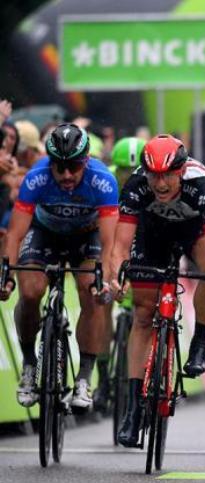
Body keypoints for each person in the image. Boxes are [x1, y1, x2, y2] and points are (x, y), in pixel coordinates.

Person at [109, 134, 205, 447]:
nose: (160, 185)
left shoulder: (201, 184)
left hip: (193, 234)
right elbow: (120, 244)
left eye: (167, 177)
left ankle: (200, 341)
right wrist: (117, 277)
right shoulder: (136, 185)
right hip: (152, 237)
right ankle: (134, 409)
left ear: (181, 171)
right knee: (142, 314)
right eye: (154, 176)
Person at [0, 123, 118, 409]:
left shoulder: (102, 181)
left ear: (86, 161)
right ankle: (30, 366)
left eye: (74, 167)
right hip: (45, 233)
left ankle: (84, 379)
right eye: (59, 167)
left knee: (91, 291)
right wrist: (6, 276)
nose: (66, 175)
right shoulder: (36, 178)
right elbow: (15, 234)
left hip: (86, 237)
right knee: (30, 292)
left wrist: (107, 278)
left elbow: (110, 242)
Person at [93, 136, 146, 412]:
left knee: (145, 310)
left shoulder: (152, 184)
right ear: (116, 167)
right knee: (101, 302)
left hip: (141, 241)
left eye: (135, 171)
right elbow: (107, 236)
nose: (130, 176)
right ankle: (103, 376)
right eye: (125, 170)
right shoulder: (107, 182)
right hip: (112, 240)